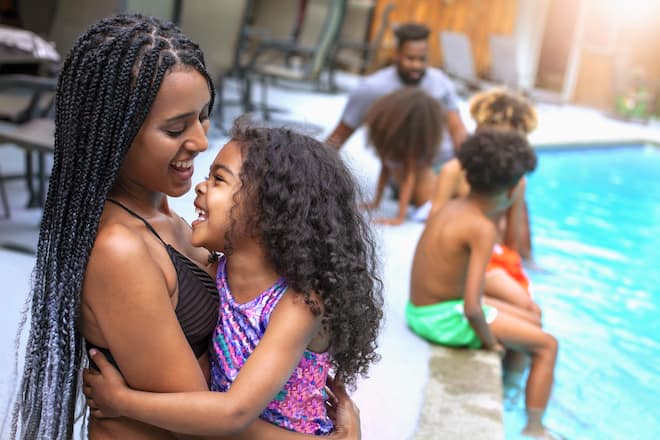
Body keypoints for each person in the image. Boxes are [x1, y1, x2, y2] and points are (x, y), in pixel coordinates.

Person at [6, 14, 361, 440]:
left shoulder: (171, 218)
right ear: (115, 135)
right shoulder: (119, 251)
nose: (199, 140)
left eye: (203, 116)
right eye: (175, 128)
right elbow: (206, 425)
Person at [82, 119, 383, 437]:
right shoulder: (217, 273)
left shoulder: (298, 304)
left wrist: (122, 401)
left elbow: (233, 413)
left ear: (268, 212)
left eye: (219, 179)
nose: (201, 185)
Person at [407, 129, 558, 438]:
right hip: (440, 319)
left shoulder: (454, 205)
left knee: (534, 317)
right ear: (514, 188)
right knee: (548, 346)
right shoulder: (482, 227)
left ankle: (512, 388)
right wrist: (491, 345)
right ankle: (534, 427)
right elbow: (473, 308)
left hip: (423, 308)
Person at [429, 88, 540, 318]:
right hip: (461, 260)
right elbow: (434, 228)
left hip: (495, 261)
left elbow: (512, 242)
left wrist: (515, 273)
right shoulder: (453, 172)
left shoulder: (517, 181)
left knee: (528, 306)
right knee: (528, 309)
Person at [325, 22, 467, 167]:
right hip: (404, 169)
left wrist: (463, 166)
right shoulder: (372, 89)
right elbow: (339, 136)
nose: (417, 65)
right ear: (396, 55)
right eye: (410, 59)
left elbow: (457, 128)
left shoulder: (440, 82)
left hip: (445, 163)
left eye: (422, 59)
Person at [361, 87, 444, 225]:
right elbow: (384, 171)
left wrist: (399, 218)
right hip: (417, 205)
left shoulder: (410, 149)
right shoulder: (390, 146)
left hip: (427, 205)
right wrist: (376, 201)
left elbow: (408, 181)